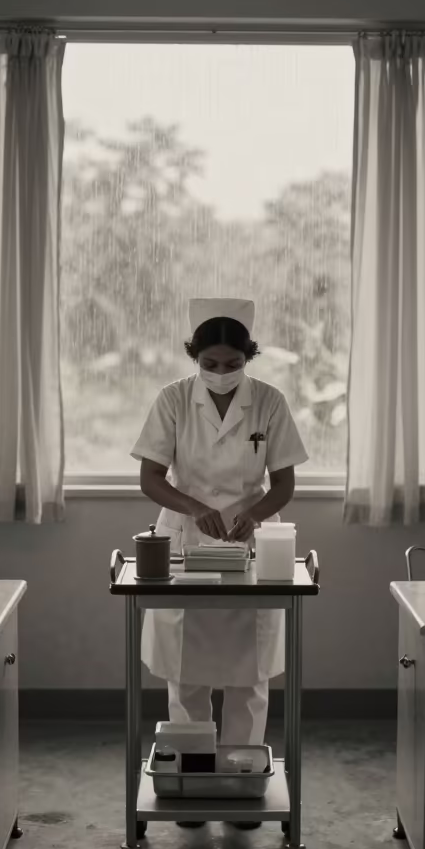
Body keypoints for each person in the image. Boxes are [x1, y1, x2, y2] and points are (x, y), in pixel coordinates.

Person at [131, 297, 308, 820]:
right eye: (210, 364)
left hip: (251, 541)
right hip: (187, 538)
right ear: (195, 358)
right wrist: (195, 508)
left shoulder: (270, 402)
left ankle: (242, 786)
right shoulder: (173, 400)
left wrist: (253, 514)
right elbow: (149, 477)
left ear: (248, 359)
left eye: (232, 364)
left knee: (249, 676)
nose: (221, 374)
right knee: (186, 675)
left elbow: (284, 483)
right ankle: (188, 786)